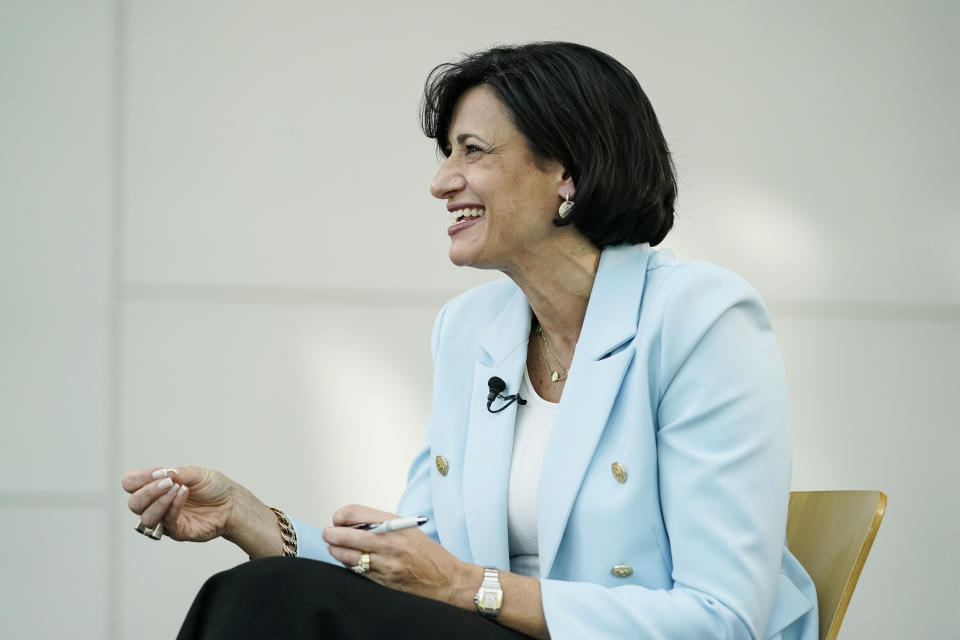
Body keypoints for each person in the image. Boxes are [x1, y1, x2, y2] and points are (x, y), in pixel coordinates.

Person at [122, 42, 818, 639]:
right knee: (252, 590)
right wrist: (254, 521)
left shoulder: (699, 317)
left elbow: (723, 619)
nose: (440, 181)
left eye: (473, 151)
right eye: (446, 152)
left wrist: (474, 588)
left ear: (567, 174)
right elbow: (420, 559)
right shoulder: (471, 330)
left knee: (269, 602)